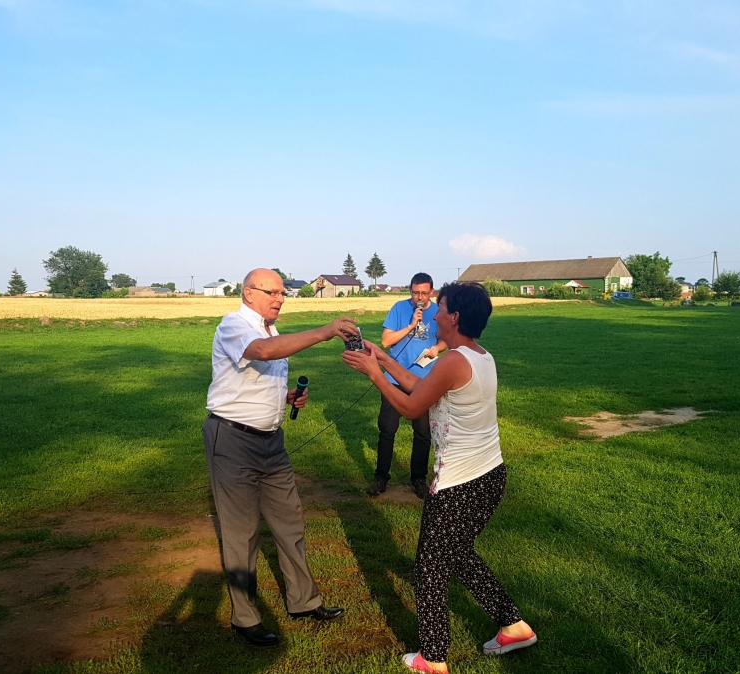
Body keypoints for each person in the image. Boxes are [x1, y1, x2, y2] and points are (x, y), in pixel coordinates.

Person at [342, 282, 536, 673]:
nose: (435, 312)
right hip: (490, 476)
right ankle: (514, 627)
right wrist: (383, 358)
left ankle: (432, 657)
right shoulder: (479, 356)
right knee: (458, 553)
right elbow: (421, 386)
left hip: (459, 484)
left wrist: (374, 374)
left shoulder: (452, 360)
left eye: (441, 306)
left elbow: (412, 407)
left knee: (429, 568)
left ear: (454, 317)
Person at [202, 268, 357, 647]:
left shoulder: (272, 331)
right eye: (271, 292)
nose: (280, 298)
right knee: (242, 531)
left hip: (272, 441)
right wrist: (324, 331)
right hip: (233, 439)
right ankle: (244, 618)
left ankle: (304, 602)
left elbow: (262, 371)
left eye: (282, 292)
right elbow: (262, 352)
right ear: (248, 293)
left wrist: (286, 397)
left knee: (290, 522)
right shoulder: (234, 325)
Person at [367, 272, 447, 500]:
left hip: (424, 381)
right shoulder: (399, 308)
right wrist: (411, 325)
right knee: (387, 429)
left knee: (423, 432)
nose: (419, 297)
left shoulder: (438, 312)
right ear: (410, 291)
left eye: (424, 293)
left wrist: (438, 348)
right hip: (394, 379)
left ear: (431, 292)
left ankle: (418, 479)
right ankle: (381, 477)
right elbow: (385, 341)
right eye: (415, 293)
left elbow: (446, 340)